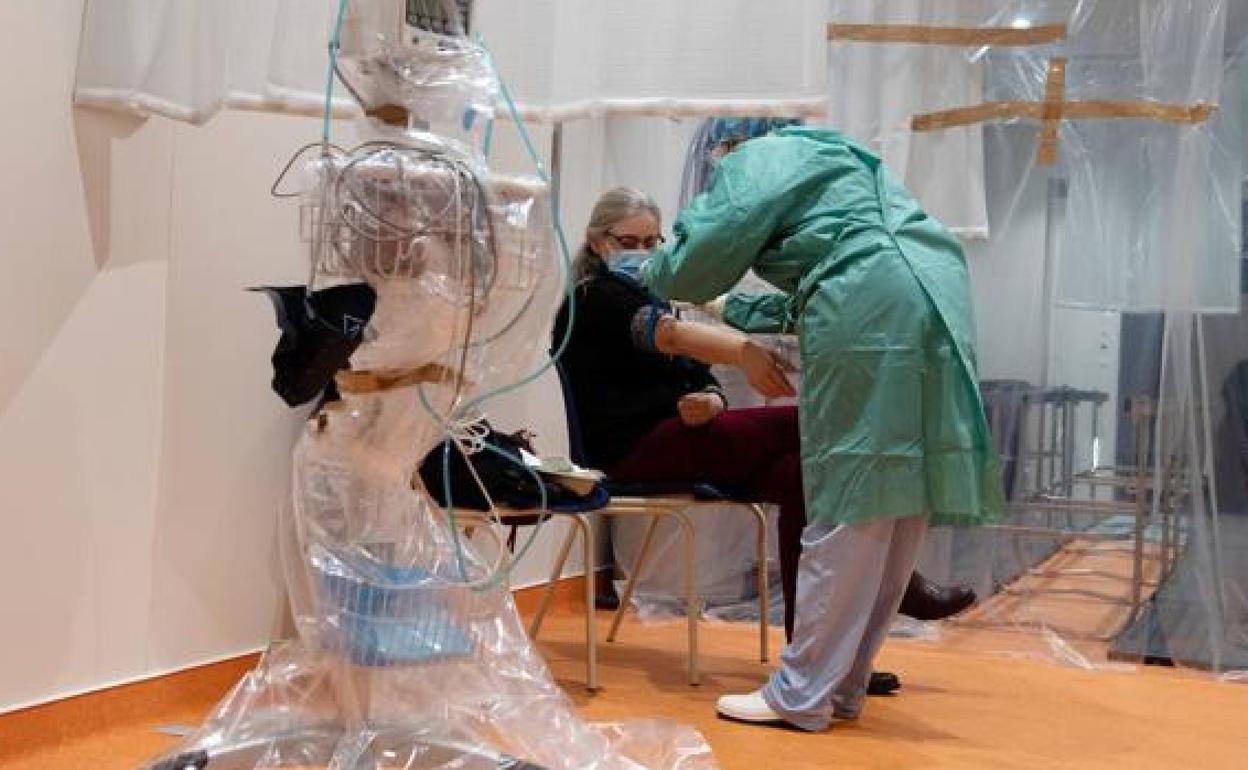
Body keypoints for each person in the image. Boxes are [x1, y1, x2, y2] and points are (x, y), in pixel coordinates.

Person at [640, 121, 1006, 731]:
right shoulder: (836, 157)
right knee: (895, 500)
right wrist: (731, 309)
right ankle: (842, 684)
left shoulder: (759, 157)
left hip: (871, 305)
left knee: (847, 499)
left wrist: (651, 266)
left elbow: (692, 267)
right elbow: (825, 275)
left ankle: (801, 691)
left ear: (730, 142)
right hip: (934, 291)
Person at [553, 187, 978, 696]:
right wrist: (745, 352)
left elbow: (696, 373)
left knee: (802, 476)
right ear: (597, 241)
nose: (643, 252)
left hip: (681, 438)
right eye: (629, 242)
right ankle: (897, 583)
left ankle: (818, 660)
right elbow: (670, 337)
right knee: (818, 423)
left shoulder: (648, 293)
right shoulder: (592, 297)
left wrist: (713, 399)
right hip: (631, 450)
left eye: (652, 242)